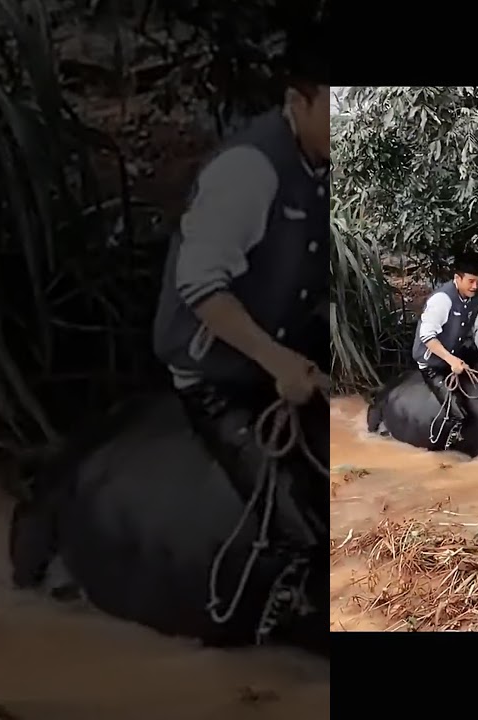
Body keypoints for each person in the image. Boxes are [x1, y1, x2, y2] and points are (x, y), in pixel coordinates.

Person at [150, 29, 328, 546]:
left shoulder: (323, 161)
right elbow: (201, 286)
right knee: (301, 534)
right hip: (218, 372)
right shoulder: (248, 170)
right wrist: (279, 363)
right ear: (298, 100)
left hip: (287, 340)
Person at [411, 250, 478, 450]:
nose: (475, 286)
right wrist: (451, 360)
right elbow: (427, 336)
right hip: (433, 362)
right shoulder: (441, 300)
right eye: (470, 281)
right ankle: (439, 451)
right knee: (457, 415)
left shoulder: (474, 300)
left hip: (456, 354)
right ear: (457, 278)